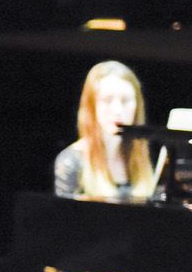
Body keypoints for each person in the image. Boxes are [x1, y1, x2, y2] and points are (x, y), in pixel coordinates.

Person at [54, 59, 155, 201]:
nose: (117, 110)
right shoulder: (71, 161)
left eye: (126, 100)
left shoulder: (140, 154)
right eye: (107, 100)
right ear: (91, 106)